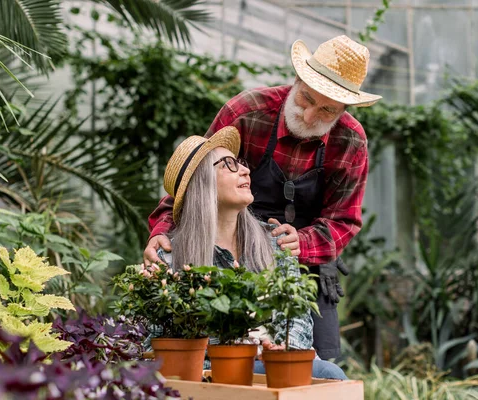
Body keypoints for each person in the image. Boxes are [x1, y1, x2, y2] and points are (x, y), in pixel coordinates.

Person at [145, 35, 381, 360]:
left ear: (344, 109)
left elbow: (344, 220)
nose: (310, 116)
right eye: (305, 100)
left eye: (327, 110)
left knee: (319, 362)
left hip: (303, 262)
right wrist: (162, 231)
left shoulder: (351, 142)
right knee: (216, 347)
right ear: (296, 80)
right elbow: (196, 176)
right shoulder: (248, 112)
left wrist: (303, 242)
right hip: (231, 251)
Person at [153, 126, 346, 380]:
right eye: (228, 165)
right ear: (202, 183)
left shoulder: (274, 241)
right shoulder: (170, 257)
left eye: (241, 163)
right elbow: (156, 344)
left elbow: (297, 319)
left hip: (272, 365)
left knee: (330, 375)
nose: (245, 170)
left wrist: (283, 348)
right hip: (210, 375)